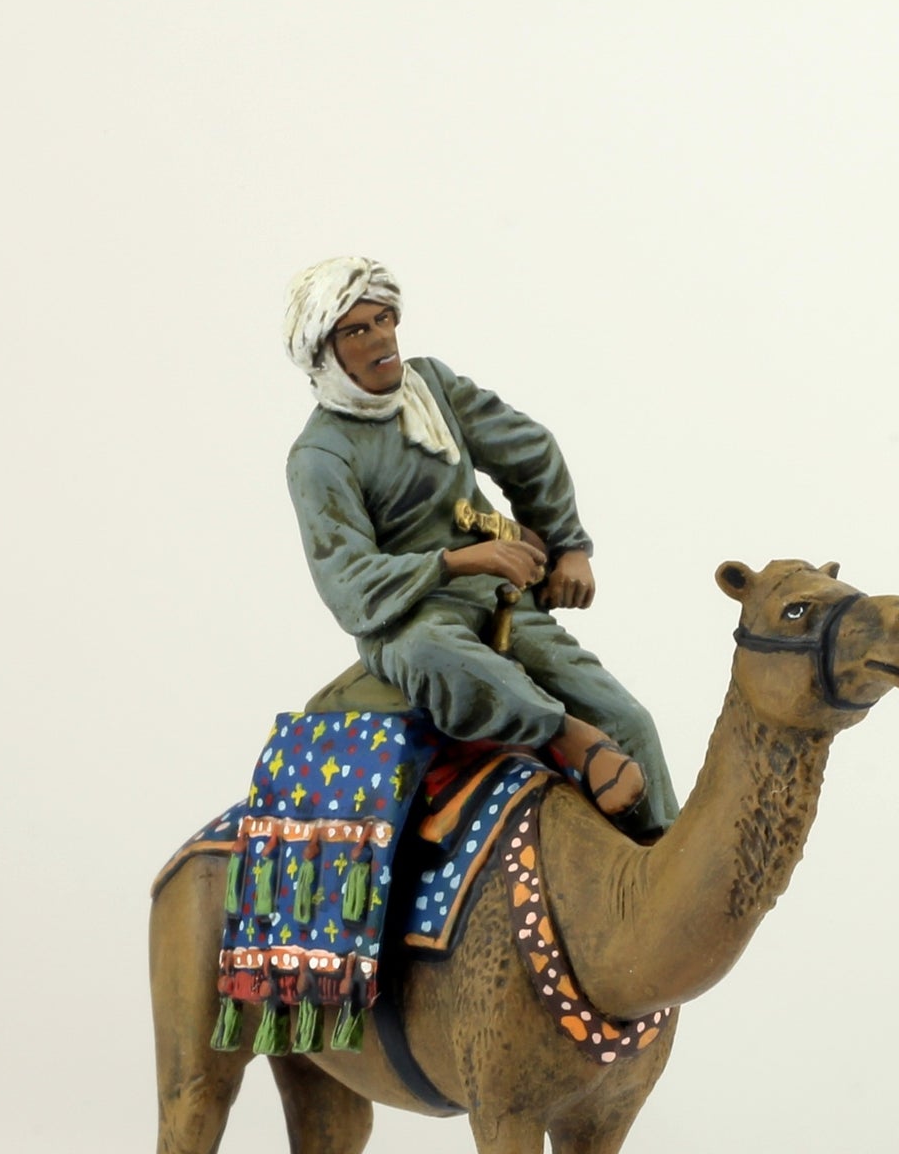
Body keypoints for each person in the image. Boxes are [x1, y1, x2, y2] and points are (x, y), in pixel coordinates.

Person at [282, 256, 677, 835]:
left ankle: (665, 854)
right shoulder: (320, 456)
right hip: (409, 618)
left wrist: (568, 546)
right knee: (434, 654)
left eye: (385, 319)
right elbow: (349, 586)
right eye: (357, 330)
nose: (381, 338)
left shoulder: (432, 387)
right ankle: (568, 736)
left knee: (627, 717)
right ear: (324, 353)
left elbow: (530, 449)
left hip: (497, 596)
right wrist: (457, 561)